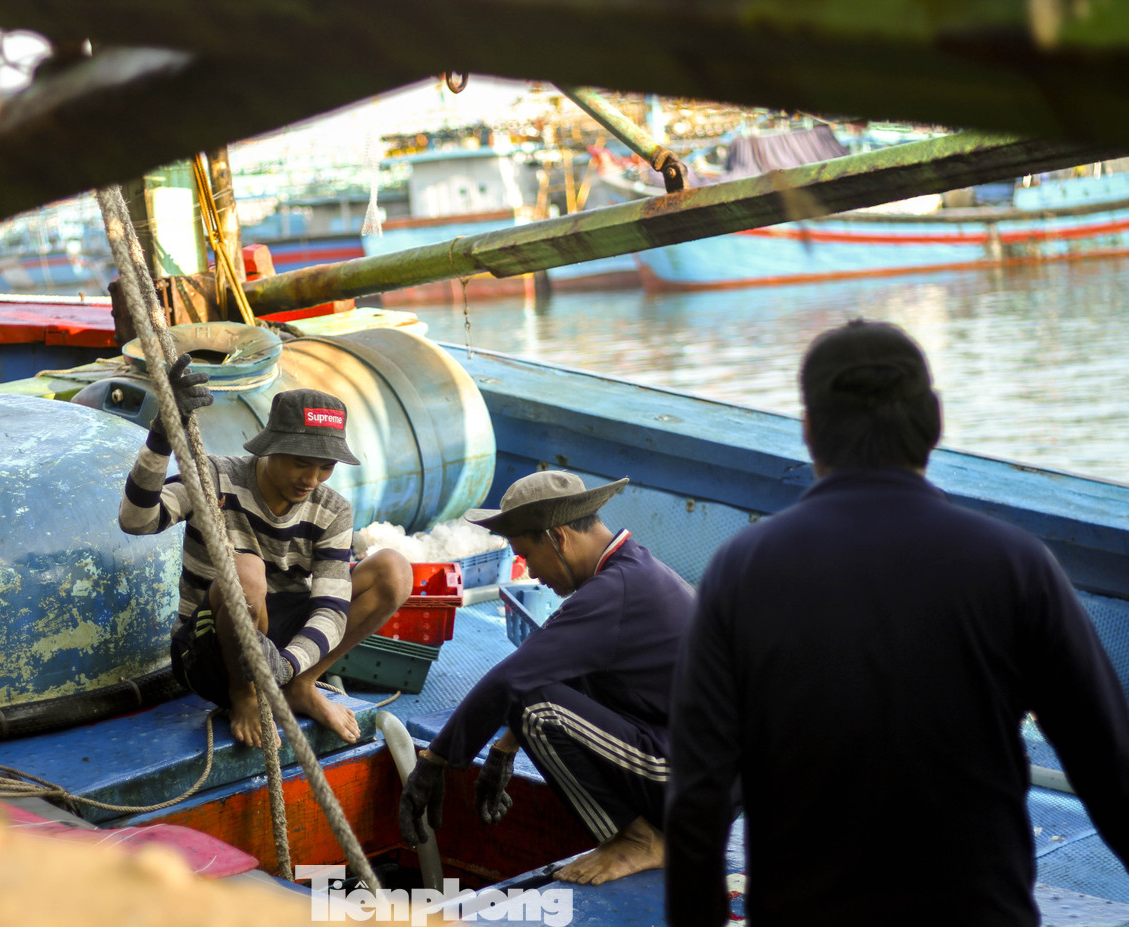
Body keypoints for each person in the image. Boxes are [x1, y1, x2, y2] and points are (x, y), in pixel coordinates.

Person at [665, 319, 1129, 926]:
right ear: (933, 420)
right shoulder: (1014, 566)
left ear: (810, 433)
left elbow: (698, 797)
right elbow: (1109, 767)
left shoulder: (740, 572)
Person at [398, 470, 696, 885]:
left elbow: (511, 681)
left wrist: (435, 762)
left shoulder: (617, 590)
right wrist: (503, 750)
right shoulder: (630, 572)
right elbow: (555, 666)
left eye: (528, 556)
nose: (531, 574)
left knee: (536, 710)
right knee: (536, 693)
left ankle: (639, 840)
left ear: (558, 538)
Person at [119, 357, 413, 748]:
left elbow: (331, 608)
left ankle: (301, 687)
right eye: (301, 464)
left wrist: (289, 668)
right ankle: (245, 696)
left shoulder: (332, 509)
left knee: (393, 570)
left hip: (280, 657)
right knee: (246, 569)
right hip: (207, 652)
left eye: (325, 467)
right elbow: (137, 520)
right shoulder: (213, 477)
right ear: (271, 449)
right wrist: (160, 435)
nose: (311, 480)